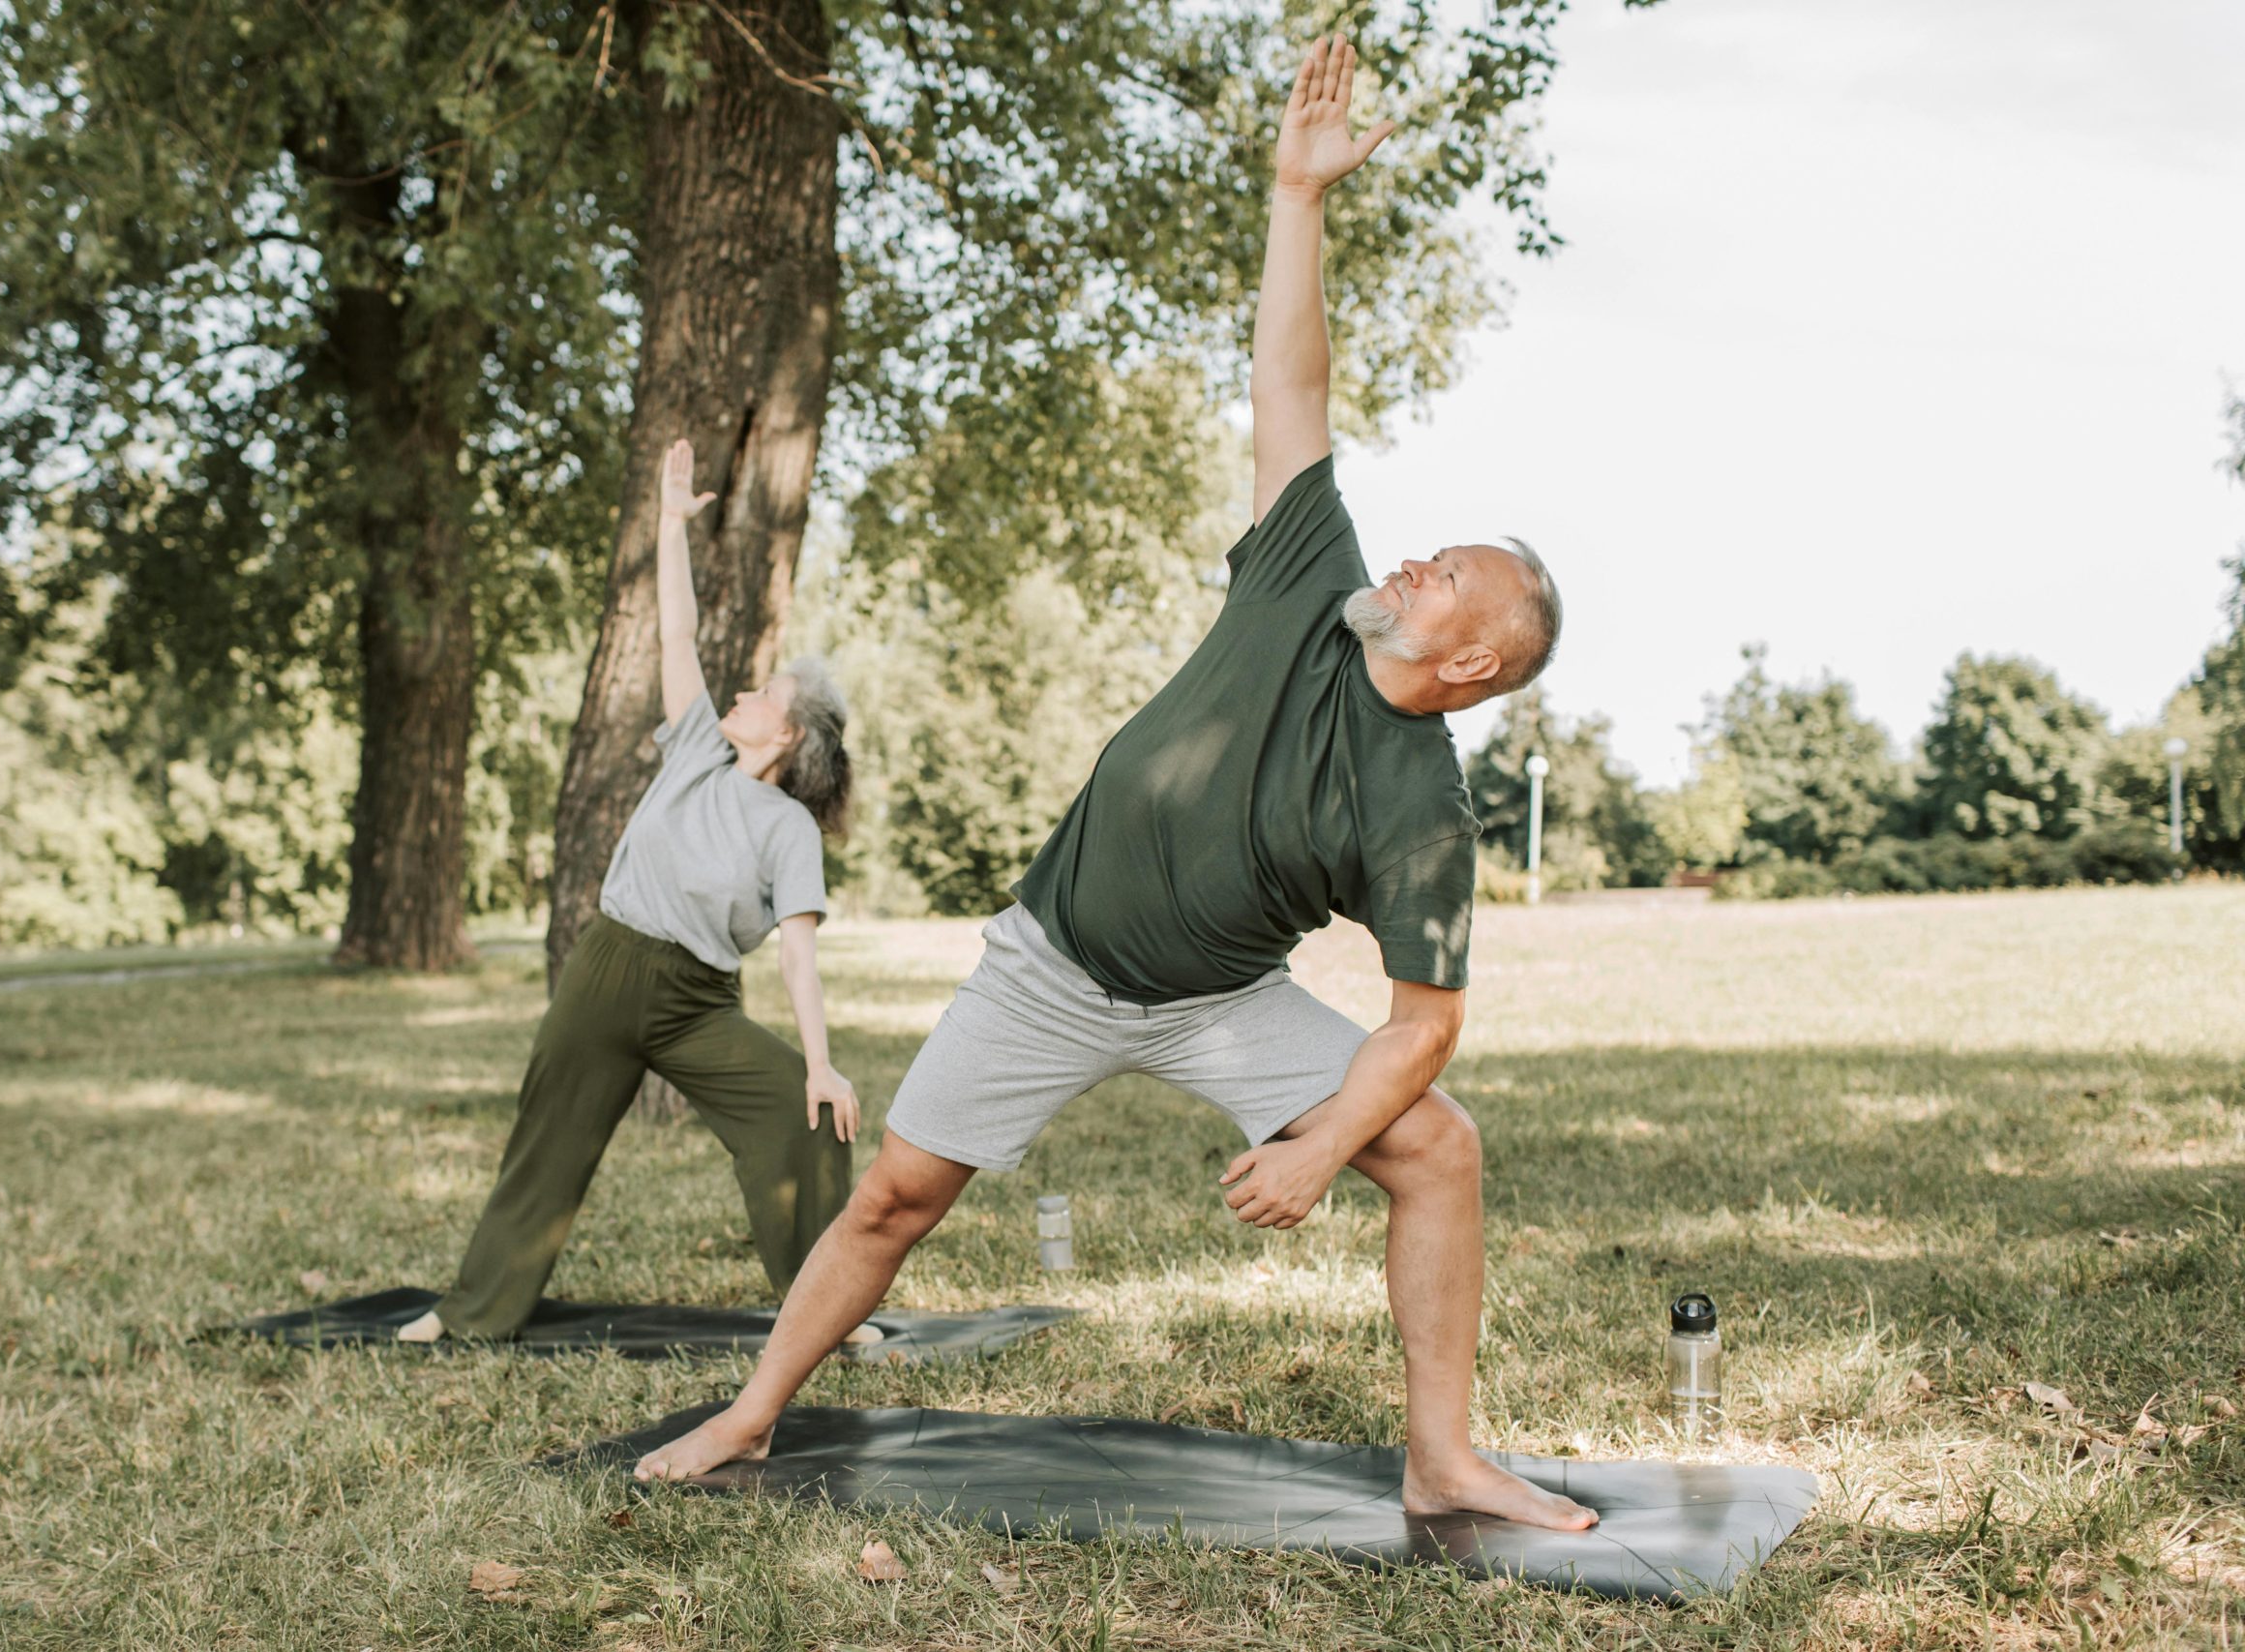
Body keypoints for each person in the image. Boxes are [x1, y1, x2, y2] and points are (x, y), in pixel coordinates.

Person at [634, 36, 1591, 1532]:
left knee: (1439, 1145)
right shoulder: (1310, 575)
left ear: (1471, 662)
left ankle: (1443, 1456)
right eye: (1431, 545)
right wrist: (1297, 194)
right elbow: (1292, 372)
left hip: (1213, 995)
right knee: (894, 1196)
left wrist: (1323, 1142)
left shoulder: (1421, 804)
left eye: (1449, 572)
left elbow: (1426, 1024)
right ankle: (751, 1416)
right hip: (1053, 959)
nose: (1416, 558)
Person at [400, 437, 861, 1344]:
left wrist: (819, 1062)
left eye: (762, 691)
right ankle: (471, 1314)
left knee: (802, 1113)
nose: (741, 688)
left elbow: (800, 959)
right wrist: (668, 525)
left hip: (696, 1003)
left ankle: (828, 1316)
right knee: (547, 1140)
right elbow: (677, 630)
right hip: (608, 972)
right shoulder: (695, 744)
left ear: (790, 734)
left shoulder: (789, 830)